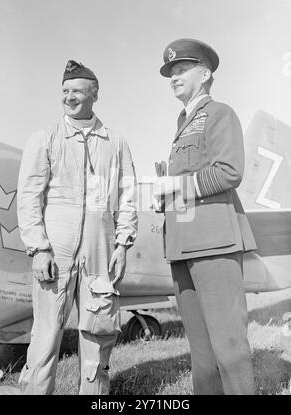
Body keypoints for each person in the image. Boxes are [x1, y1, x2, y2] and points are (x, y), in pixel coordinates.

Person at [17, 60, 137, 395]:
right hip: (56, 250)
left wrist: (123, 244)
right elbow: (28, 197)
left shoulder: (116, 142)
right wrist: (38, 248)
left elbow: (127, 195)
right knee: (45, 336)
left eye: (77, 91)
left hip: (101, 248)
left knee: (98, 335)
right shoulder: (45, 138)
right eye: (65, 91)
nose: (69, 98)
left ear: (94, 95)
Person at [153, 38, 257, 395]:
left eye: (181, 69)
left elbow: (229, 172)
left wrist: (175, 185)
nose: (173, 76)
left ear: (206, 73)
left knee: (229, 350)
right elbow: (187, 186)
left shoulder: (219, 113)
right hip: (182, 248)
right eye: (171, 72)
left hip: (215, 244)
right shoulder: (183, 124)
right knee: (201, 356)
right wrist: (162, 194)